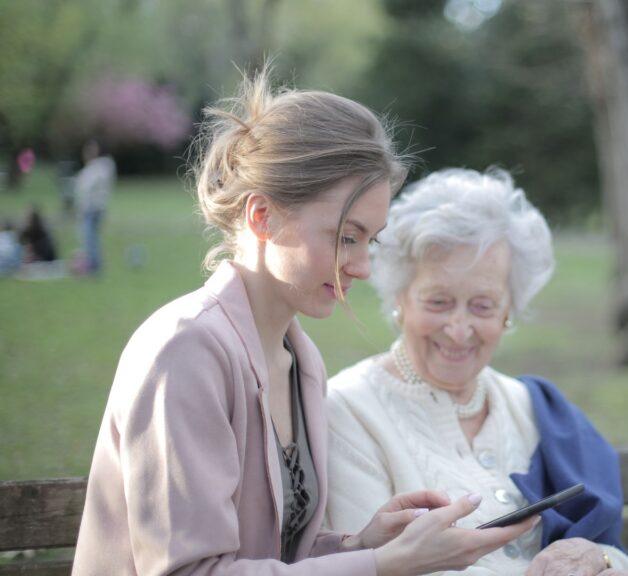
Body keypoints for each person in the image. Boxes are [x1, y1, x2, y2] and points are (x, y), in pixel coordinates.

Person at [72, 71, 534, 576]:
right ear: (262, 216)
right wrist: (380, 565)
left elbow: (274, 557)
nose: (361, 267)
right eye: (344, 237)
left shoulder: (300, 359)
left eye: (370, 241)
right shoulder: (184, 350)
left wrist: (361, 542)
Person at [324, 168, 628, 576]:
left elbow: (621, 561)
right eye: (439, 302)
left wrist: (597, 556)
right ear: (400, 298)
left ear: (509, 310)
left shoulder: (534, 408)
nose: (460, 330)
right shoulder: (348, 412)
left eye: (482, 306)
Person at [73, 139, 116, 274]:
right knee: (90, 238)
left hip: (93, 209)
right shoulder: (96, 168)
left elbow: (86, 187)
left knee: (89, 238)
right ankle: (93, 264)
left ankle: (93, 266)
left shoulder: (100, 167)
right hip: (91, 208)